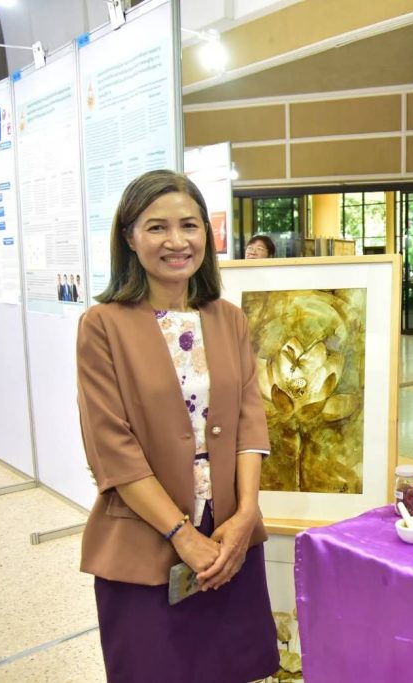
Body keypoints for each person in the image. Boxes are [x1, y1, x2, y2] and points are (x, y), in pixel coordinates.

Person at [76, 170, 278, 682]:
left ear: (206, 236)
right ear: (129, 237)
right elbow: (112, 447)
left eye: (189, 225)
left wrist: (247, 512)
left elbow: (250, 419)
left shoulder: (228, 318)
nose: (176, 241)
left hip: (230, 535)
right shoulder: (102, 326)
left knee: (232, 668)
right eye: (156, 227)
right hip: (149, 542)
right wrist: (181, 535)